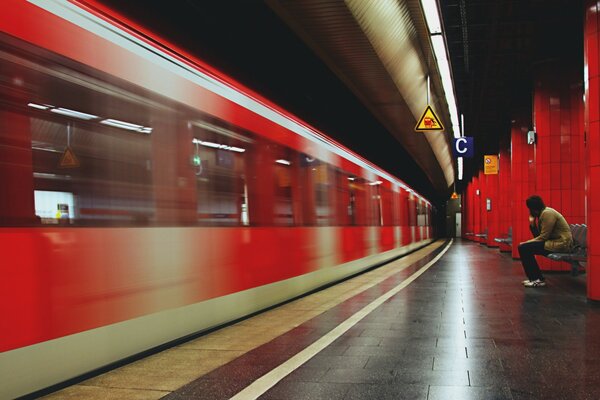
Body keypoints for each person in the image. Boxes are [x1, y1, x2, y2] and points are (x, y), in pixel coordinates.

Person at [518, 195, 573, 287]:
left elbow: (543, 237)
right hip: (554, 242)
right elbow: (539, 237)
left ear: (533, 208)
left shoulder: (547, 213)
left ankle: (536, 279)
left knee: (524, 248)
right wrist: (532, 224)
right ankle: (535, 278)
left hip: (561, 244)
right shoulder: (542, 213)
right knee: (525, 248)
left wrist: (526, 242)